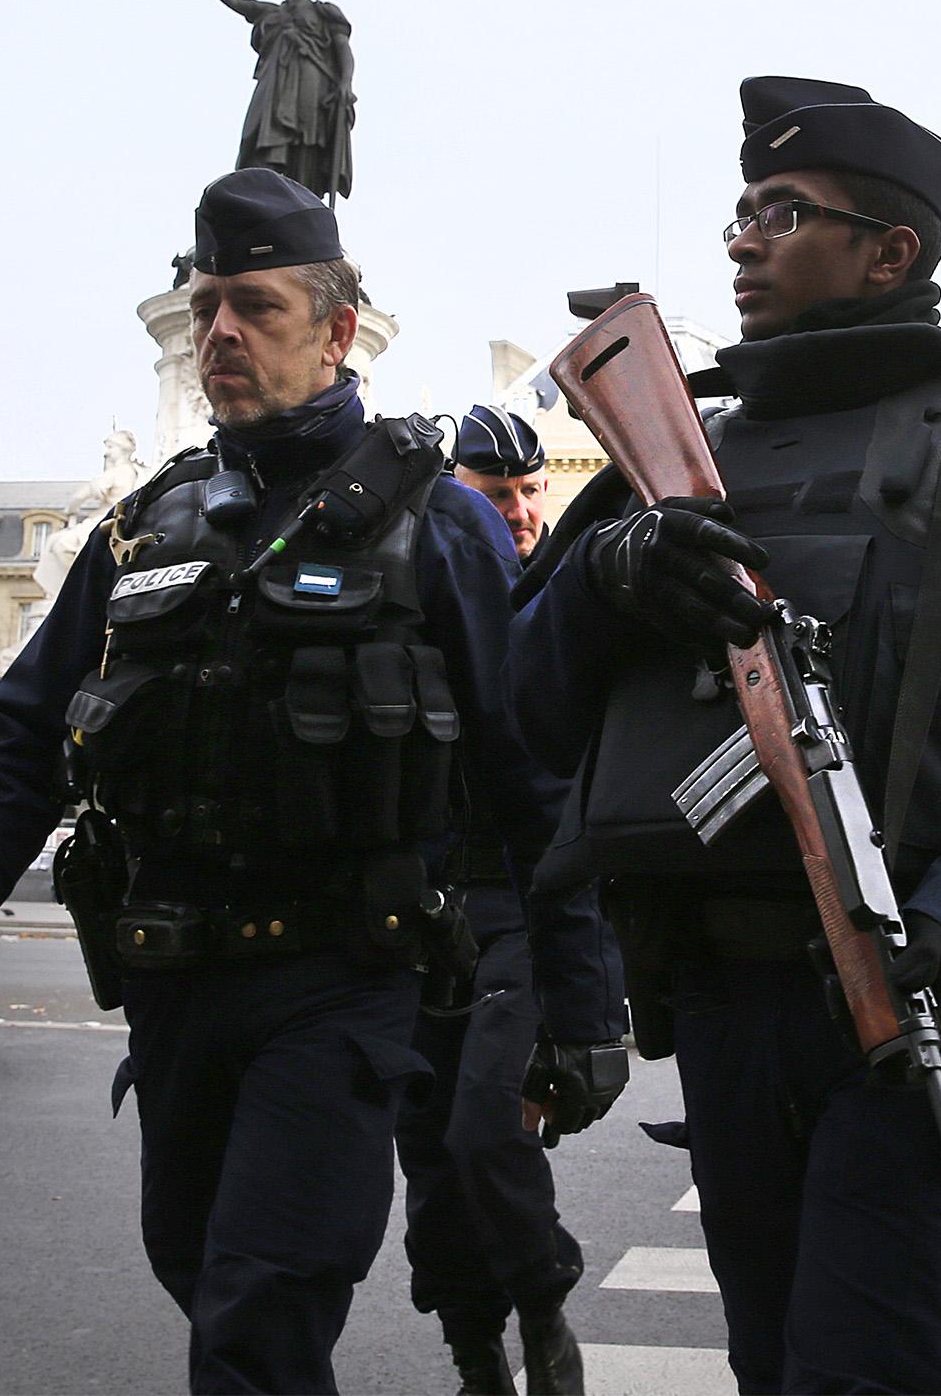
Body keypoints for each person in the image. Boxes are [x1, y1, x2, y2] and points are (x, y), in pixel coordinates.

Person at [0, 169, 613, 1395]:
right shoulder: (147, 526)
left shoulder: (434, 520)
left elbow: (529, 777)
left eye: (254, 307)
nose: (219, 333)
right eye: (207, 304)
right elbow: (21, 742)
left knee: (262, 1314)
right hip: (174, 985)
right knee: (201, 1272)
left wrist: (582, 1007)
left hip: (343, 983)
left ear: (333, 331)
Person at [507, 76, 941, 1393]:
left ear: (892, 251)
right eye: (741, 210)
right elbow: (516, 721)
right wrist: (602, 587)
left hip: (917, 1009)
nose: (741, 238)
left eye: (783, 211)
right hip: (719, 1012)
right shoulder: (674, 457)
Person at [392, 400, 614, 1396]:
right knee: (432, 1162)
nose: (521, 512)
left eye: (531, 491)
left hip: (525, 905)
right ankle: (472, 1346)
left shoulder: (558, 599)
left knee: (486, 1130)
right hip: (431, 914)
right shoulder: (426, 586)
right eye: (496, 493)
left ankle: (541, 1306)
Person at [194, 0, 355, 203]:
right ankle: (264, 196)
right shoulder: (269, 12)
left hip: (311, 77)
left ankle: (304, 199)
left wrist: (345, 83)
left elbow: (343, 50)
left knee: (306, 139)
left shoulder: (325, 13)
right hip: (273, 83)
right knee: (260, 136)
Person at [451, 404, 550, 561]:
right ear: (458, 499)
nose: (520, 514)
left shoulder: (573, 576)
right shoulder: (435, 576)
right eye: (499, 495)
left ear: (544, 489)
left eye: (530, 491)